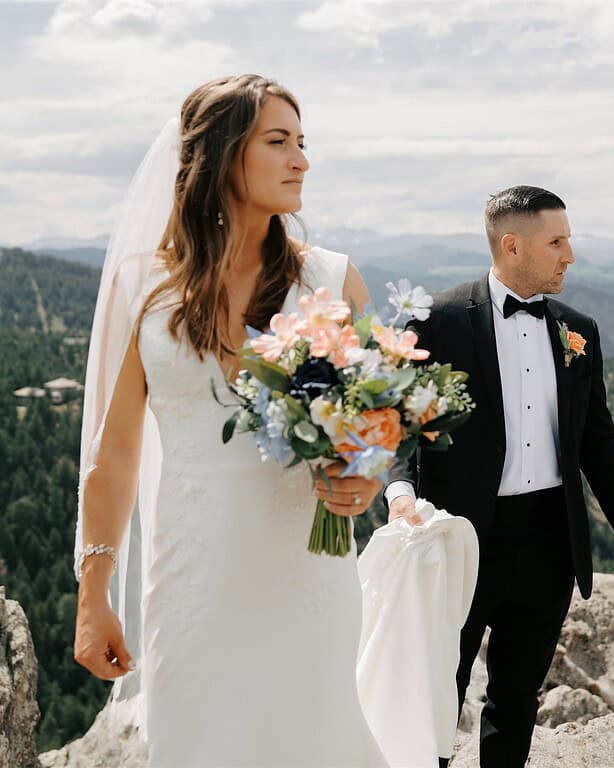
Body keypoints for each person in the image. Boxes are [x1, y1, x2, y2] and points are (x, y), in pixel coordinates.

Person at [73, 75, 388, 766]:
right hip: (193, 582)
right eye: (277, 142)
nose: (301, 160)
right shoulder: (143, 288)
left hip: (309, 573)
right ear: (218, 156)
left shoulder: (332, 281)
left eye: (302, 143)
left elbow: (377, 427)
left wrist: (364, 477)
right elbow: (115, 453)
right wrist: (93, 593)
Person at [386, 186, 614, 768]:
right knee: (440, 687)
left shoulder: (579, 330)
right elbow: (397, 422)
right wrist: (401, 492)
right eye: (557, 242)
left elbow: (596, 440)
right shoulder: (439, 320)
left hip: (549, 540)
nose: (570, 255)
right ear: (512, 245)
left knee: (516, 697)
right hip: (459, 535)